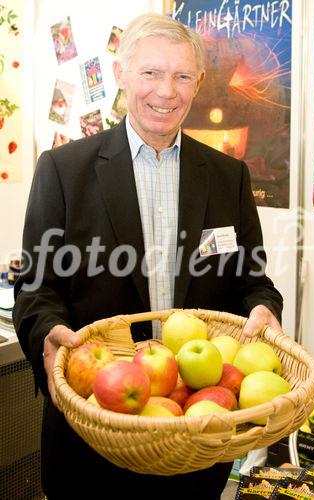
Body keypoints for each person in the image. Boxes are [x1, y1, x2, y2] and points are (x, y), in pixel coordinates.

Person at [13, 13, 283, 500]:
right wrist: (45, 334)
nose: (167, 91)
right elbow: (35, 290)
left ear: (198, 82)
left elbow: (253, 282)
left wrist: (266, 307)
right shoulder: (62, 170)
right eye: (151, 73)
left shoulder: (228, 177)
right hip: (93, 434)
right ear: (121, 73)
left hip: (194, 435)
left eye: (182, 76)